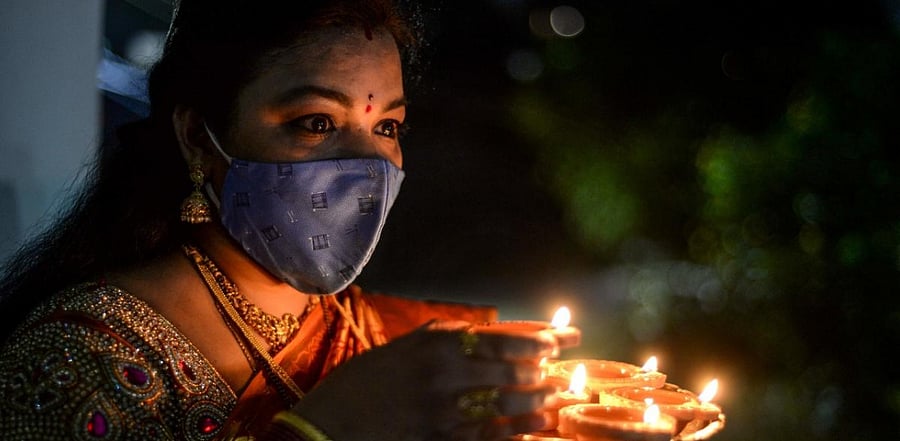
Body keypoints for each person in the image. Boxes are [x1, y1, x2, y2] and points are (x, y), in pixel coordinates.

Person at [0, 1, 558, 440]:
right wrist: (323, 430)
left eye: (388, 127)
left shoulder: (365, 332)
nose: (369, 165)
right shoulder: (79, 359)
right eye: (316, 121)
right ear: (198, 138)